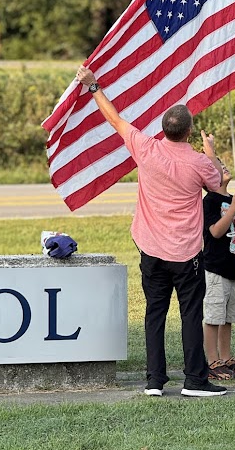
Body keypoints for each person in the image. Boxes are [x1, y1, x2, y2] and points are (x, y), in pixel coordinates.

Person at [75, 65, 227, 398]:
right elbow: (217, 185)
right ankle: (195, 380)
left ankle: (154, 380)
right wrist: (211, 152)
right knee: (190, 315)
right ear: (188, 132)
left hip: (151, 248)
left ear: (164, 130)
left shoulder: (146, 148)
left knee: (154, 313)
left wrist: (94, 86)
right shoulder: (198, 161)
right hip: (186, 252)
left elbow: (115, 120)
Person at [202, 160, 235, 381]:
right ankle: (212, 361)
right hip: (216, 268)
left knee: (227, 317)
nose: (224, 167)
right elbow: (215, 231)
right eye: (217, 166)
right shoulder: (211, 201)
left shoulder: (233, 199)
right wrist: (233, 207)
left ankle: (226, 357)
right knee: (214, 316)